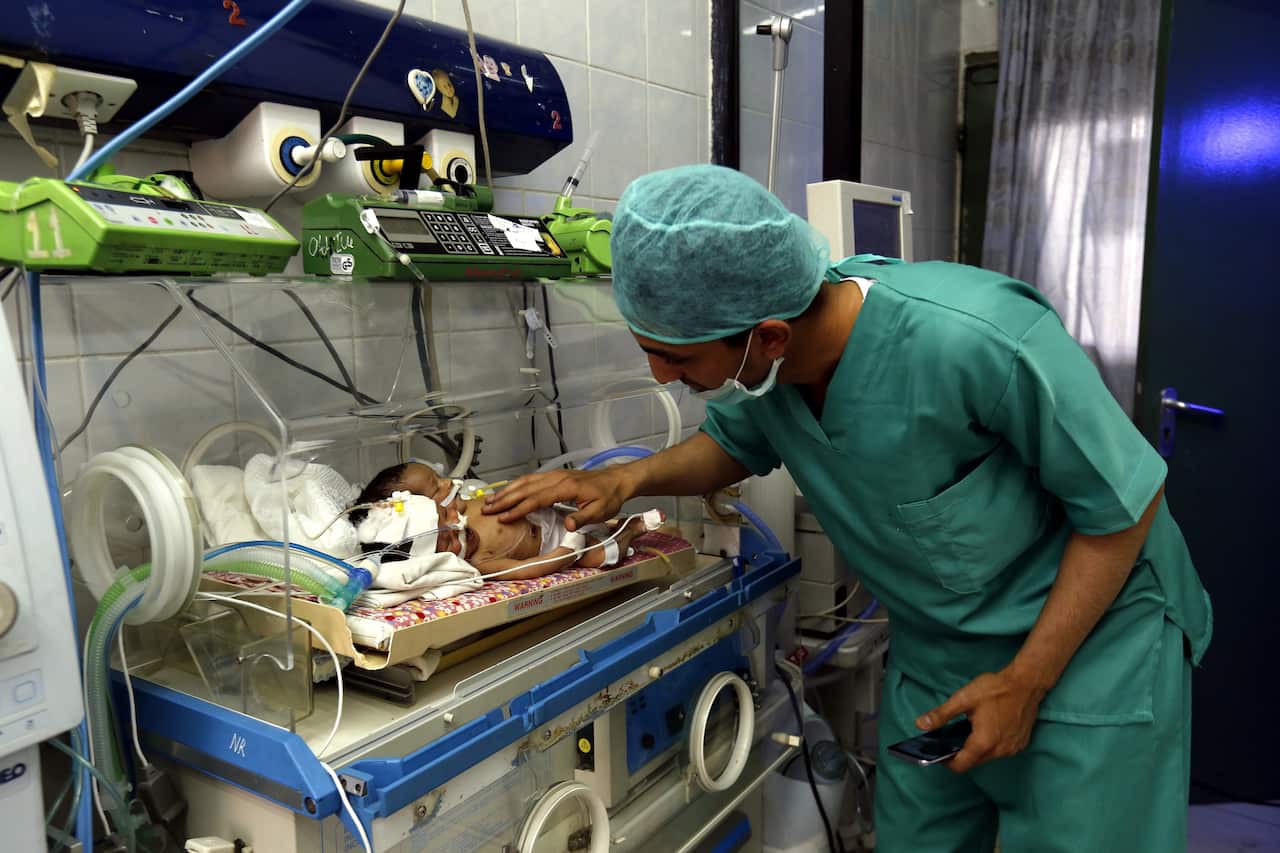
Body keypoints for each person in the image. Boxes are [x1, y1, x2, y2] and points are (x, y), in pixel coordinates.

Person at [484, 165, 1212, 850]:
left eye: (677, 360)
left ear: (767, 336)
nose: (660, 376)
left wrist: (1027, 681)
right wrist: (623, 481)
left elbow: (1122, 506)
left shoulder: (976, 339)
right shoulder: (769, 376)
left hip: (1094, 649)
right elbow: (739, 442)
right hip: (942, 649)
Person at [351, 462, 653, 580]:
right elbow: (524, 569)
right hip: (568, 543)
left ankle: (614, 523)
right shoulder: (478, 560)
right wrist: (564, 552)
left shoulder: (465, 507)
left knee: (592, 508)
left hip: (560, 513)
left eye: (447, 516)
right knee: (597, 556)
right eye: (436, 486)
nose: (455, 523)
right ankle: (632, 529)